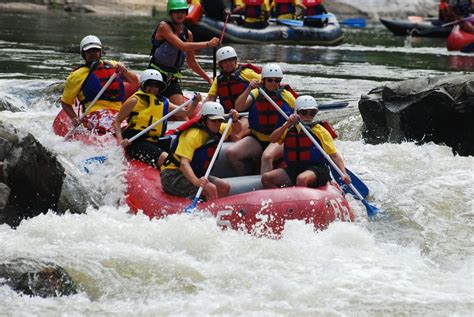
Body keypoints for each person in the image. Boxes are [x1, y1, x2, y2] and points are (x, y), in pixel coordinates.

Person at [113, 69, 201, 168]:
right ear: (143, 84)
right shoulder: (134, 100)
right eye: (150, 85)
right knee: (165, 158)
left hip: (155, 141)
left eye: (156, 86)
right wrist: (121, 142)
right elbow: (117, 122)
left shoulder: (164, 102)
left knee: (180, 152)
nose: (153, 89)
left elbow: (186, 112)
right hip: (135, 142)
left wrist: (195, 102)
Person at [261, 95, 351, 189]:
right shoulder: (288, 128)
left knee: (301, 179)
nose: (308, 116)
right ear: (296, 112)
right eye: (304, 112)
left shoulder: (319, 130)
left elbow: (334, 155)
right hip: (294, 169)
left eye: (312, 113)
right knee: (266, 178)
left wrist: (344, 174)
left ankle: (299, 201)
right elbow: (272, 139)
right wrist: (287, 124)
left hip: (317, 169)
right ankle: (280, 200)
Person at [160, 102, 242, 201]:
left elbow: (238, 130)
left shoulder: (219, 129)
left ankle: (218, 209)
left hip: (196, 172)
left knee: (224, 186)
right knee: (210, 188)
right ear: (204, 119)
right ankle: (212, 214)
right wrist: (196, 182)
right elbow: (183, 164)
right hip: (173, 175)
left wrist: (235, 120)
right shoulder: (192, 135)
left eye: (219, 120)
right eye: (213, 120)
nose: (217, 124)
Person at [149, 0, 220, 111]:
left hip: (172, 80)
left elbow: (191, 62)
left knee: (182, 115)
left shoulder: (188, 34)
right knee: (151, 110)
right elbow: (182, 45)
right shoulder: (163, 26)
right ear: (170, 13)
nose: (180, 14)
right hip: (155, 77)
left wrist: (208, 79)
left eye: (183, 11)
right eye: (176, 11)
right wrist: (207, 44)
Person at [226, 63, 295, 176]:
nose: (273, 84)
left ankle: (265, 188)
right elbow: (239, 107)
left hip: (279, 139)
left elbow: (299, 114)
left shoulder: (286, 96)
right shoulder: (257, 92)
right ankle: (246, 180)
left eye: (277, 80)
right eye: (270, 80)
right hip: (258, 138)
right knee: (232, 153)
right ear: (263, 80)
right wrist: (249, 88)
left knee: (267, 156)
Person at [60, 35, 139, 133]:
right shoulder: (76, 75)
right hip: (94, 113)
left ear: (100, 52)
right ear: (83, 54)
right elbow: (65, 102)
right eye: (89, 51)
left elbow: (135, 82)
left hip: (119, 112)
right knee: (117, 126)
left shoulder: (113, 65)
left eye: (96, 50)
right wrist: (74, 118)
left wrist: (124, 71)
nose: (93, 54)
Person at [204, 46, 261, 140]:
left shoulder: (247, 73)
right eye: (225, 62)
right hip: (228, 115)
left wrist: (257, 84)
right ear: (220, 64)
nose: (228, 64)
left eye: (230, 60)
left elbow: (266, 82)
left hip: (246, 115)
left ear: (235, 60)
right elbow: (210, 98)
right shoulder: (218, 80)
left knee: (235, 135)